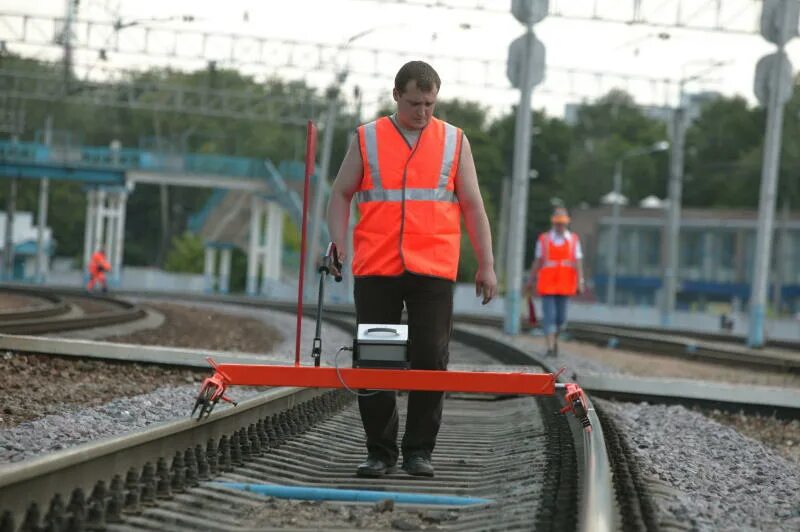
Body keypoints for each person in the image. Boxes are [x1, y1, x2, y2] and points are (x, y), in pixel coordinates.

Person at [326, 61, 497, 478]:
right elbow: (341, 193)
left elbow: (473, 206)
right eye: (416, 102)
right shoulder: (368, 138)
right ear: (396, 95)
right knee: (377, 360)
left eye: (431, 103)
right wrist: (338, 243)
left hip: (433, 269)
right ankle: (380, 453)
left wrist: (486, 264)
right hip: (379, 268)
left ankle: (419, 452)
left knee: (429, 360)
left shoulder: (454, 141)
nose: (424, 111)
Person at [525, 208, 585, 357]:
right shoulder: (544, 239)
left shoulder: (573, 240)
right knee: (549, 317)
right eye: (558, 223)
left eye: (562, 223)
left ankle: (554, 341)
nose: (560, 226)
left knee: (561, 319)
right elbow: (538, 261)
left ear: (566, 224)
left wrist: (580, 281)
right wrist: (530, 280)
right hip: (547, 285)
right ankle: (551, 347)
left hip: (566, 285)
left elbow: (578, 262)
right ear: (554, 223)